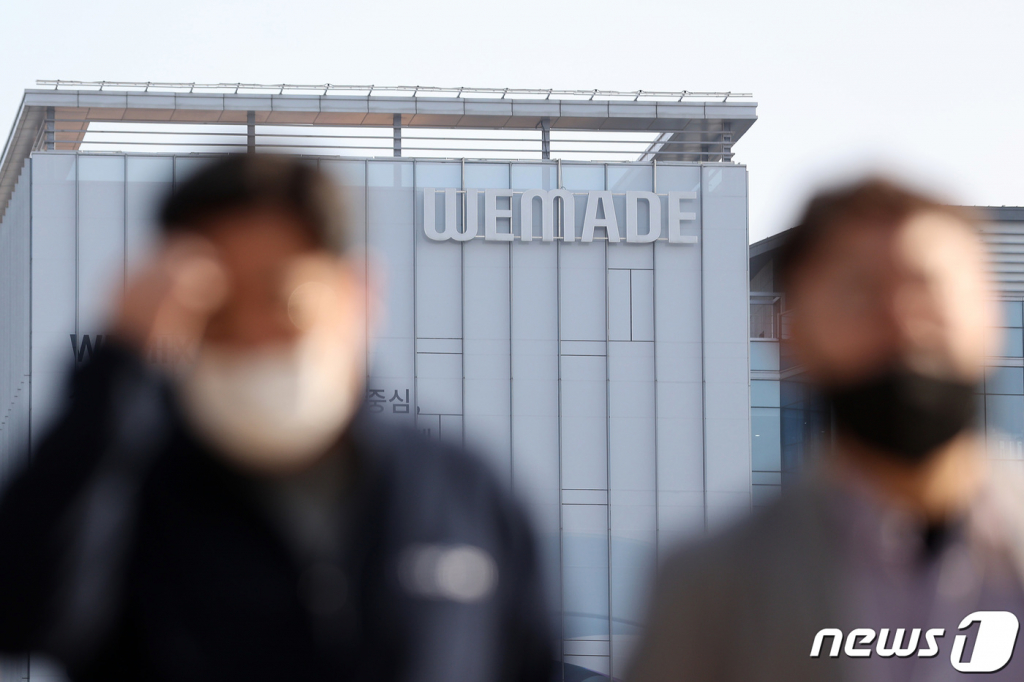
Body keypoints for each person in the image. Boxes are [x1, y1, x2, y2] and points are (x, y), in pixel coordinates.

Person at [0, 155, 554, 682]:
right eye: (216, 306)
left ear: (358, 294)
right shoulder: (131, 488)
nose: (253, 334)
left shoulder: (461, 493)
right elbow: (22, 615)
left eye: (285, 300)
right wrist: (117, 365)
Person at [629, 178, 1024, 681]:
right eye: (860, 295)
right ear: (791, 333)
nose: (901, 321)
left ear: (992, 314)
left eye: (928, 288)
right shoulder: (712, 586)